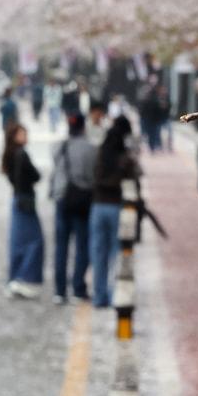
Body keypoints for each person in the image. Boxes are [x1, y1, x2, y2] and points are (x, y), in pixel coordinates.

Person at [89, 116, 140, 308]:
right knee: (117, 254)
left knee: (98, 253)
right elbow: (134, 178)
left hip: (98, 206)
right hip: (117, 207)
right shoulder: (124, 157)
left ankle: (98, 295)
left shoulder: (101, 152)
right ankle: (114, 293)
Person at [49, 113, 96, 304]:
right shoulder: (90, 149)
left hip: (61, 199)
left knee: (61, 247)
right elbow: (91, 175)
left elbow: (56, 170)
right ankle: (78, 288)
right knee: (82, 245)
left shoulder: (58, 147)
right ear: (83, 127)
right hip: (81, 200)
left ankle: (59, 291)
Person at [2, 123, 44, 298]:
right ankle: (24, 279)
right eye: (22, 134)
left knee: (18, 242)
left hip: (18, 200)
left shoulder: (11, 154)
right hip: (24, 200)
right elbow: (34, 176)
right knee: (34, 241)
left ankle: (16, 278)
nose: (26, 137)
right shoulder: (21, 154)